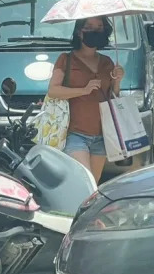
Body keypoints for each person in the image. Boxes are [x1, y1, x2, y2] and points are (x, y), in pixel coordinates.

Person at [45, 16, 125, 182]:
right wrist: (83, 90)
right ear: (79, 32)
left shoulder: (107, 62)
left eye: (99, 27)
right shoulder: (66, 59)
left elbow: (112, 97)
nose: (95, 31)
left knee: (92, 188)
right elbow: (53, 90)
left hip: (102, 135)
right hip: (75, 134)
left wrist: (117, 81)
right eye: (89, 26)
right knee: (84, 181)